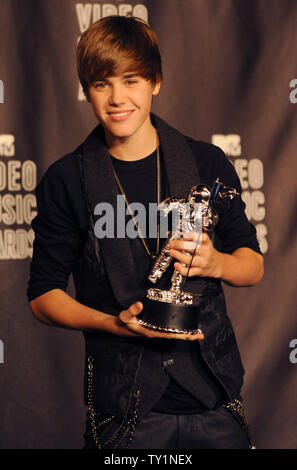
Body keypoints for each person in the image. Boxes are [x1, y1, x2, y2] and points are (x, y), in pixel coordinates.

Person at [27, 15, 264, 449]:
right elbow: (43, 297)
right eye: (102, 84)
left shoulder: (206, 163)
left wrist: (219, 262)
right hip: (124, 415)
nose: (117, 98)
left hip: (213, 400)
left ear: (155, 81)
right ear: (86, 90)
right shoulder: (68, 179)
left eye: (131, 80)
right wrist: (112, 324)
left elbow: (253, 266)